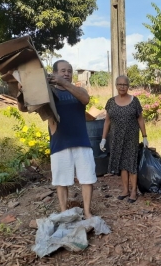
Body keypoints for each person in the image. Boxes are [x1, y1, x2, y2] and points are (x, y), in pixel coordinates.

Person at [18, 60, 96, 219]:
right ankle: (63, 212)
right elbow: (24, 108)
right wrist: (21, 93)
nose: (66, 73)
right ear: (54, 73)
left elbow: (86, 99)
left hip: (81, 141)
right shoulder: (48, 93)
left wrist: (64, 83)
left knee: (87, 178)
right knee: (62, 180)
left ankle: (87, 212)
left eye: (69, 71)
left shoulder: (77, 91)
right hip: (59, 143)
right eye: (62, 71)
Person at [100, 75, 148, 203]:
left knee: (131, 164)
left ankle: (133, 192)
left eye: (125, 84)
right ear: (116, 85)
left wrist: (144, 136)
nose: (122, 87)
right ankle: (125, 190)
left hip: (131, 138)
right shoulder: (110, 102)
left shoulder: (134, 101)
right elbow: (107, 121)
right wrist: (103, 139)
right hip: (116, 138)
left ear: (128, 86)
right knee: (122, 165)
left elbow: (140, 119)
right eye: (120, 84)